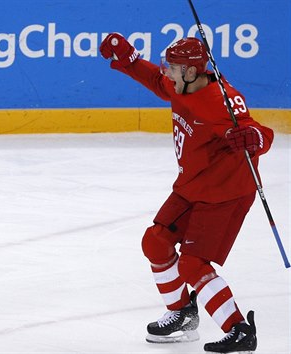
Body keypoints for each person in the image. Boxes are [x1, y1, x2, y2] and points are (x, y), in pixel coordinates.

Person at [99, 33, 273, 353]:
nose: (166, 71)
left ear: (191, 72)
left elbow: (261, 133)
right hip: (191, 186)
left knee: (193, 265)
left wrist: (254, 139)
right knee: (155, 242)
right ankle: (182, 313)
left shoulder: (222, 100)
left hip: (225, 194)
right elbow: (155, 79)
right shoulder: (182, 84)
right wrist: (129, 60)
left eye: (173, 67)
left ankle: (239, 329)